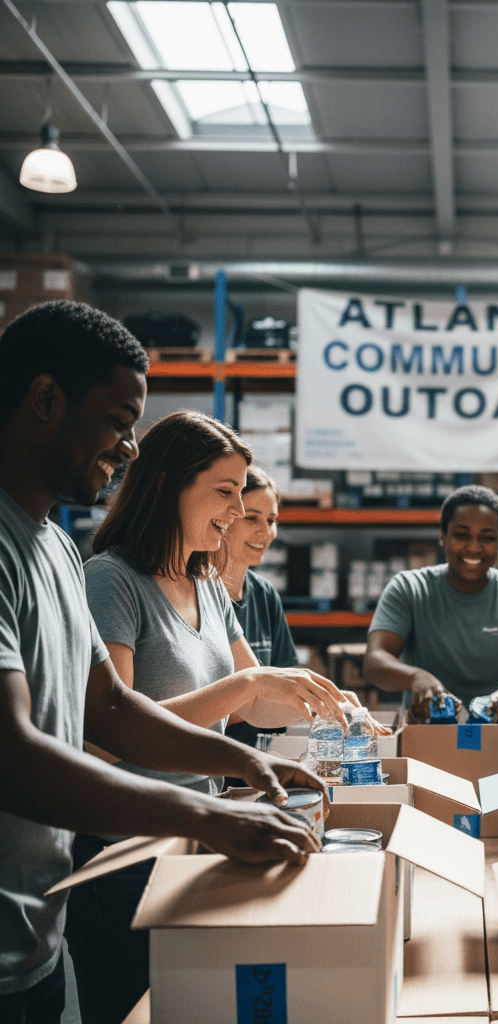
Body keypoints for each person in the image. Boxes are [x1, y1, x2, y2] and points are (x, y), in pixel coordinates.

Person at [0, 302, 326, 1024]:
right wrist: (205, 812)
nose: (130, 450)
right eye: (120, 423)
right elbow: (14, 754)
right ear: (47, 399)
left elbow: (110, 705)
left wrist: (244, 765)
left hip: (35, 937)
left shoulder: (53, 545)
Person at [66, 409, 369, 1024]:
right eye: (226, 493)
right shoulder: (112, 581)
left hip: (195, 840)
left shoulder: (205, 580)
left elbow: (254, 699)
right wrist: (249, 683)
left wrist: (327, 704)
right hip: (123, 856)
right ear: (167, 483)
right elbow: (107, 733)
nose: (236, 513)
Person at [363, 484, 498, 722]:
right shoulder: (410, 588)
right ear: (442, 535)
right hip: (429, 733)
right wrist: (416, 677)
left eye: (487, 537)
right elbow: (375, 660)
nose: (474, 547)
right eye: (461, 535)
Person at [218, 465, 301, 748]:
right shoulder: (198, 593)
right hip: (212, 762)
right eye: (251, 518)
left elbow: (284, 682)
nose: (265, 532)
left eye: (272, 520)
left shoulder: (265, 594)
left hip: (263, 761)